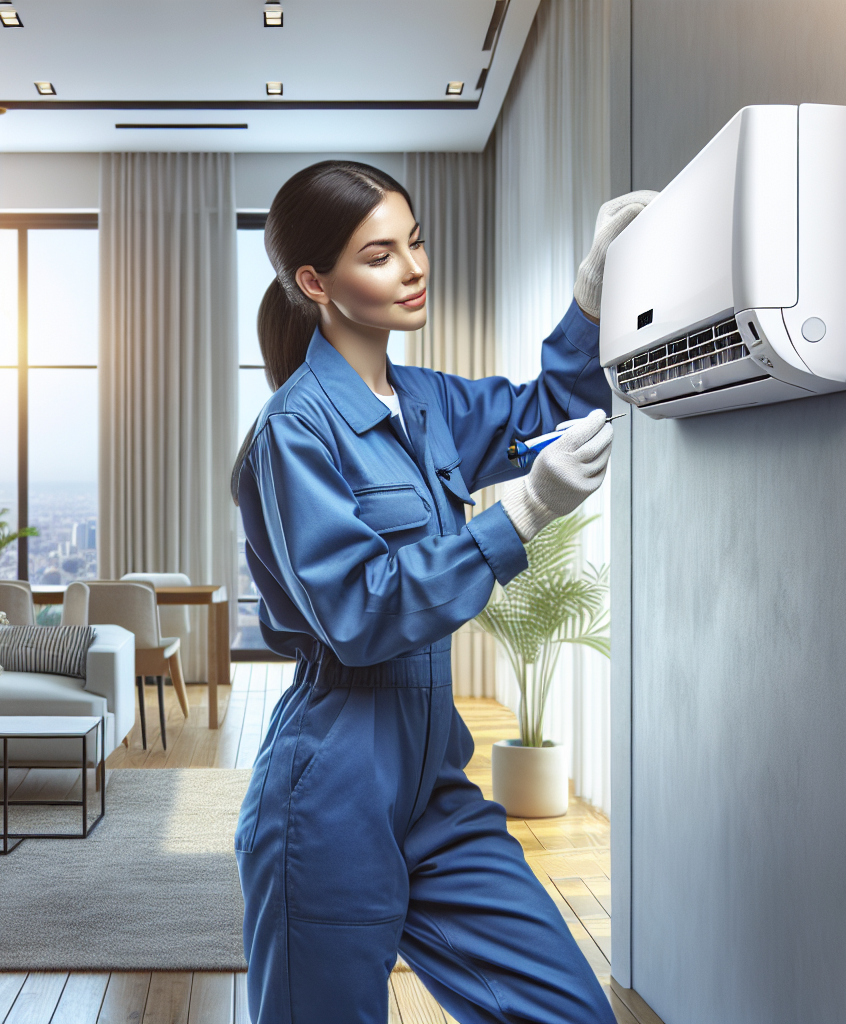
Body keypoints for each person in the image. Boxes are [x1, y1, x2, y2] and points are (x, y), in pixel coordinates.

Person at [231, 159, 654, 1024]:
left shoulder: (425, 403)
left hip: (433, 786)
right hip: (329, 797)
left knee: (572, 1010)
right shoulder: (293, 432)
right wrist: (524, 512)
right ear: (315, 281)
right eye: (379, 255)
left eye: (414, 241)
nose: (414, 268)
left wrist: (592, 297)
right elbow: (360, 615)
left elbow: (551, 408)